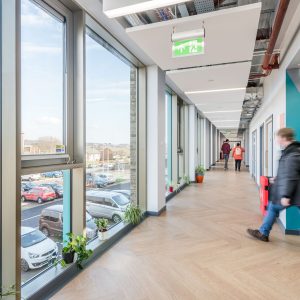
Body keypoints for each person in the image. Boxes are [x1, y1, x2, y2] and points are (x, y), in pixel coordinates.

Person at [247, 128, 300, 242]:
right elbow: (290, 172)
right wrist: (278, 178)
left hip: (293, 192)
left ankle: (263, 232)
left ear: (284, 138)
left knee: (273, 207)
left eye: (278, 138)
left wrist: (286, 195)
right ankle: (263, 232)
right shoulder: (292, 151)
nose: (277, 140)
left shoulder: (292, 153)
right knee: (272, 207)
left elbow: (291, 176)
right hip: (294, 191)